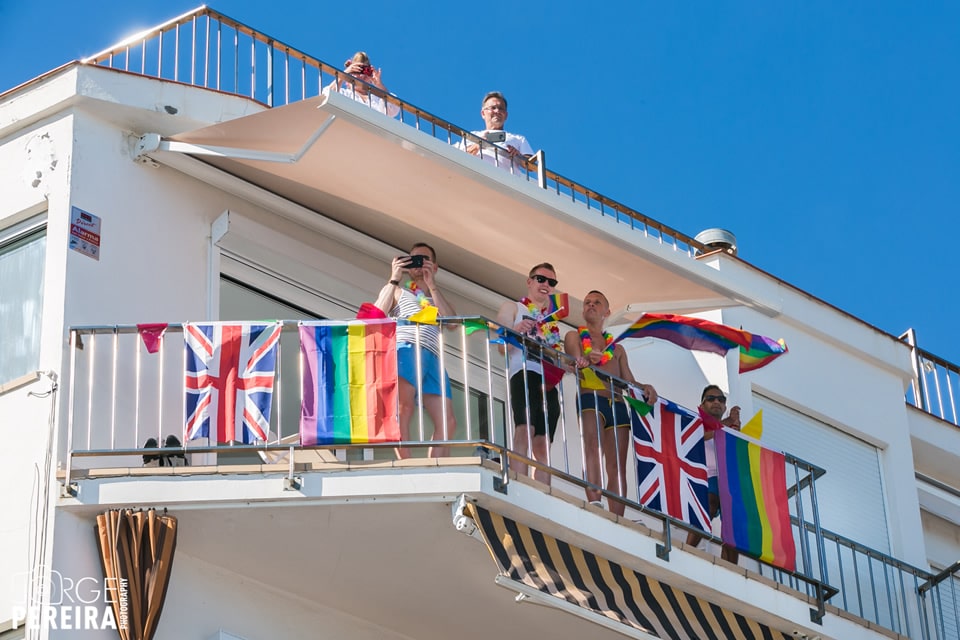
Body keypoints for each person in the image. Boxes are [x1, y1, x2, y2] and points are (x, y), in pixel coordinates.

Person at [565, 291, 657, 516]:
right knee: (592, 449)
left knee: (617, 464)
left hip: (617, 403)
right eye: (587, 302)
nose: (591, 305)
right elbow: (576, 363)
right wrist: (586, 360)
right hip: (591, 397)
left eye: (597, 302)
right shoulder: (574, 336)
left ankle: (618, 516)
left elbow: (628, 381)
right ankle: (595, 502)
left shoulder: (617, 348)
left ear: (607, 312)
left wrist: (646, 386)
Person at [374, 243, 456, 458]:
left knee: (448, 421)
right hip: (407, 348)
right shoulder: (398, 290)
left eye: (424, 259)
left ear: (434, 266)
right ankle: (406, 463)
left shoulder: (436, 297)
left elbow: (451, 323)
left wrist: (432, 285)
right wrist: (394, 278)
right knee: (404, 407)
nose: (418, 264)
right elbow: (378, 313)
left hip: (433, 356)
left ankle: (435, 467)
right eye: (414, 260)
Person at [495, 263, 565, 484]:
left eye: (551, 282)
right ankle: (519, 484)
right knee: (524, 430)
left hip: (549, 381)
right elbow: (501, 347)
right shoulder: (513, 307)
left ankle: (542, 492)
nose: (546, 285)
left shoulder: (552, 321)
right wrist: (517, 330)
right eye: (541, 279)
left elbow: (558, 357)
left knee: (543, 444)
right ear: (529, 282)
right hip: (524, 373)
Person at [686, 384, 741, 564]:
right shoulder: (696, 421)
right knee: (710, 503)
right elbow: (701, 435)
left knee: (733, 523)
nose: (716, 402)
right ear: (702, 405)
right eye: (711, 398)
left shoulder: (728, 426)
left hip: (727, 478)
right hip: (705, 476)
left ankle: (730, 568)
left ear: (724, 406)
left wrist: (736, 429)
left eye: (721, 399)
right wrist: (727, 423)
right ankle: (687, 550)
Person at [460, 91, 534, 173]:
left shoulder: (519, 139)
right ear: (483, 113)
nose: (497, 111)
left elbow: (531, 167)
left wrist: (518, 155)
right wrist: (479, 144)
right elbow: (461, 157)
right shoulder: (472, 135)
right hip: (478, 176)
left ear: (506, 115)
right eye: (493, 108)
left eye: (501, 108)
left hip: (506, 179)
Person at [322, 51, 400, 118]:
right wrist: (344, 74)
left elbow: (393, 110)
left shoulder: (377, 99)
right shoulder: (344, 94)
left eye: (365, 72)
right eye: (357, 71)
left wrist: (379, 84)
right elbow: (326, 96)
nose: (362, 76)